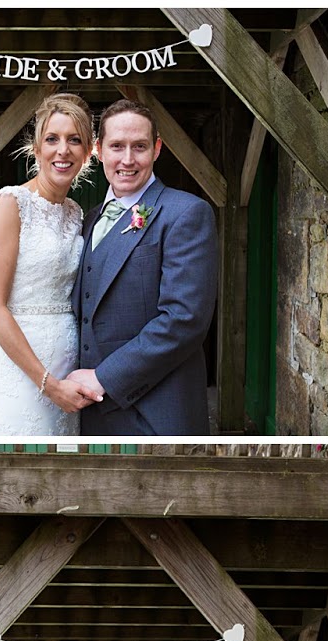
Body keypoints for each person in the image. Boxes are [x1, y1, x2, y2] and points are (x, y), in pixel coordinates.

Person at [71, 99, 218, 434]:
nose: (127, 159)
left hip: (156, 413)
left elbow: (184, 320)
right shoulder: (89, 220)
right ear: (98, 150)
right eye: (117, 146)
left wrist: (102, 378)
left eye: (139, 146)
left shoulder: (186, 213)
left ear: (157, 149)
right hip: (90, 413)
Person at [0, 92, 102, 436]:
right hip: (21, 371)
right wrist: (48, 384)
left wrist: (63, 383)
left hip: (67, 369)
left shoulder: (74, 213)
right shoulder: (11, 204)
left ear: (88, 152)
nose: (63, 150)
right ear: (37, 148)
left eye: (75, 140)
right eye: (52, 139)